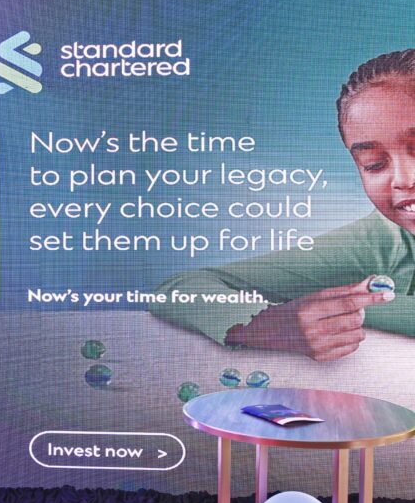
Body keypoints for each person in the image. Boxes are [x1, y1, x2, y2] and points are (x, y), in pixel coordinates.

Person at [151, 49, 415, 362]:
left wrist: (373, 309)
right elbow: (181, 290)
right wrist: (266, 324)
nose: (404, 179)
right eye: (374, 164)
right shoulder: (386, 239)